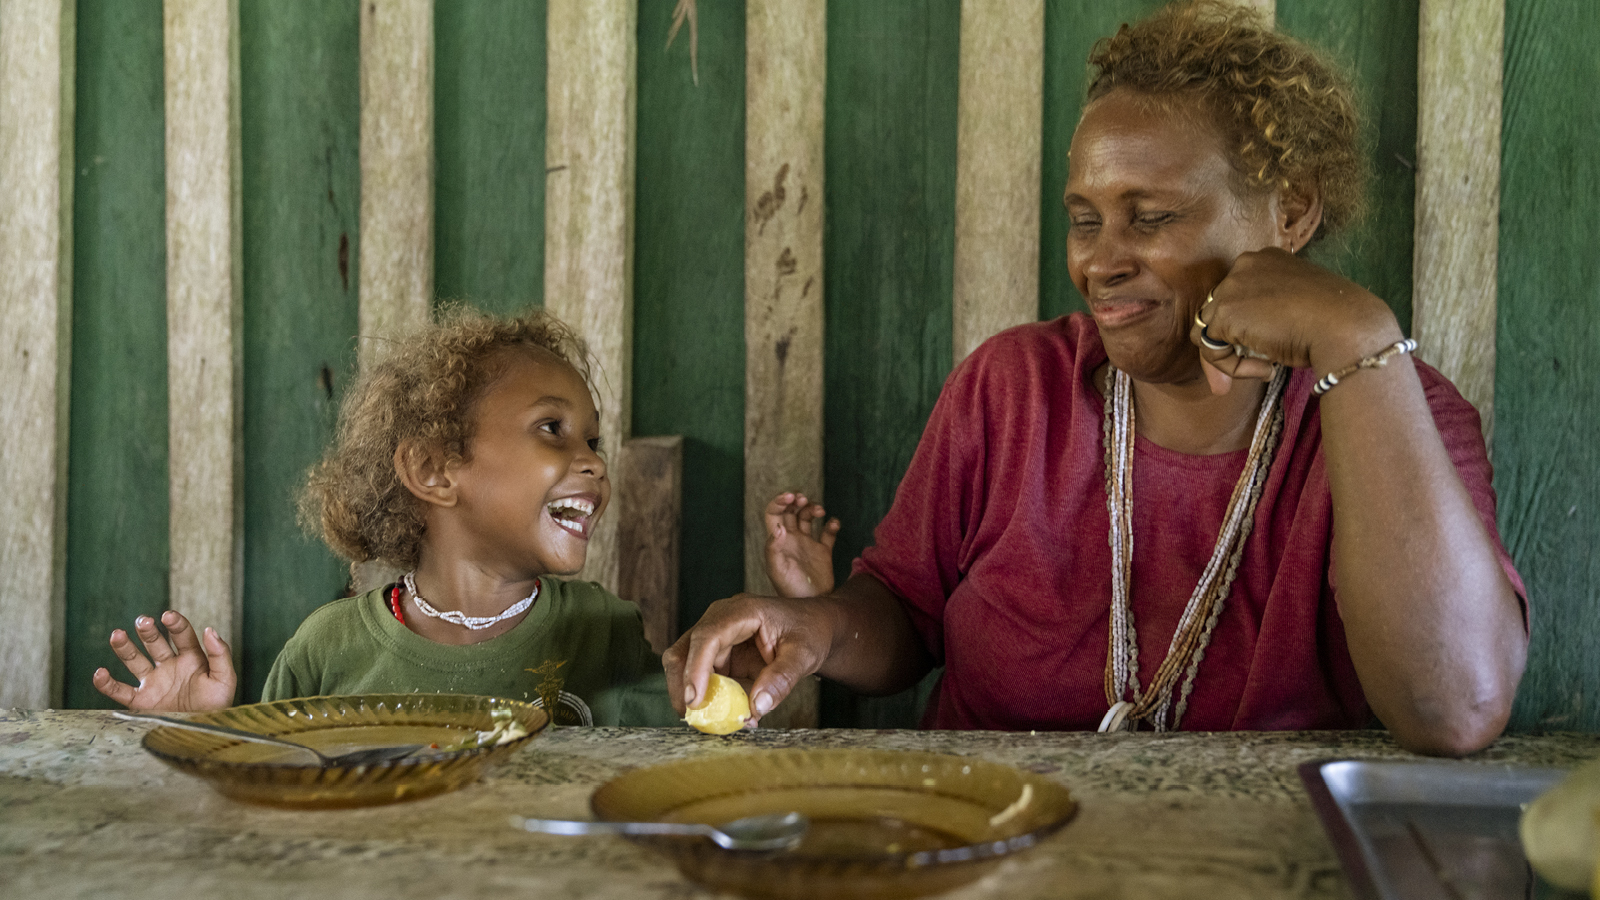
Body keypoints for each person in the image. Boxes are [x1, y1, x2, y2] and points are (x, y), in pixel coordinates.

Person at [664, 0, 1528, 756]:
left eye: (1149, 218)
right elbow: (906, 613)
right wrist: (811, 631)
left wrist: (1358, 335)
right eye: (1084, 219)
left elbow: (1455, 710)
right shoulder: (1013, 390)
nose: (1100, 262)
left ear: (1291, 212)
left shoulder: (1395, 414)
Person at [91, 310, 829, 726]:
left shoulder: (602, 628)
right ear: (434, 471)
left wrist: (797, 622)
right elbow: (264, 809)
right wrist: (191, 729)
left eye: (593, 441)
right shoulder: (328, 648)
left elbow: (688, 754)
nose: (594, 462)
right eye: (552, 429)